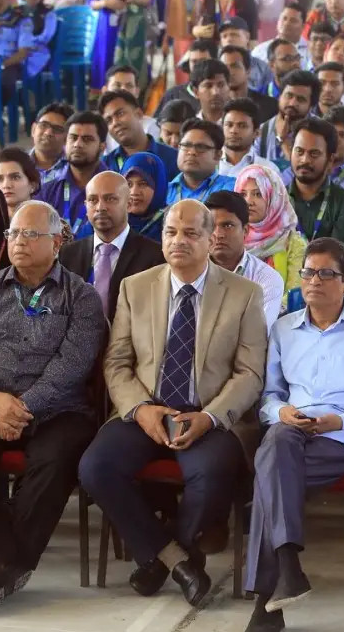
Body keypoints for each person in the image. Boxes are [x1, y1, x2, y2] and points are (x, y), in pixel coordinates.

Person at [78, 199, 268, 607]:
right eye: (170, 232)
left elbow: (250, 373)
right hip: (147, 409)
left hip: (207, 414)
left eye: (191, 233)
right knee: (95, 467)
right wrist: (140, 409)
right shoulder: (136, 287)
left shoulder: (245, 294)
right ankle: (178, 561)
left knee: (211, 473)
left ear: (210, 239)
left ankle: (160, 563)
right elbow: (117, 362)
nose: (178, 241)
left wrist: (210, 417)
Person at [0, 200, 107, 614]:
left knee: (54, 459)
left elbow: (72, 366)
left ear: (56, 242)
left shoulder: (82, 297)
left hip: (59, 409)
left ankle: (5, 564)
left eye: (30, 234)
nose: (18, 242)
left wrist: (22, 407)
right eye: (13, 233)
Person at [241, 237, 344, 632]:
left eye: (326, 274)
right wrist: (282, 412)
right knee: (277, 443)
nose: (314, 281)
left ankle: (269, 597)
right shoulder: (284, 329)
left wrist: (339, 420)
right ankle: (283, 574)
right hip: (292, 432)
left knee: (268, 477)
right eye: (308, 273)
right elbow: (270, 395)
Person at [58, 170, 166, 322]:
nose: (100, 207)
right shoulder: (67, 255)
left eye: (110, 199)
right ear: (86, 206)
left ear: (128, 204)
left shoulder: (155, 256)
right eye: (93, 200)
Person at [206, 190, 285, 322]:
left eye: (228, 226)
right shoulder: (191, 272)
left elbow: (259, 330)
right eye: (212, 226)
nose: (219, 234)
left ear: (245, 230)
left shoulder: (266, 279)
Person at [287, 116, 344, 245]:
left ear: (330, 160)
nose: (305, 160)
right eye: (299, 151)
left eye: (314, 153)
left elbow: (340, 256)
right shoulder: (275, 200)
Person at [236, 161, 308, 291]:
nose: (248, 201)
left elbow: (294, 294)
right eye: (243, 194)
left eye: (258, 194)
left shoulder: (293, 243)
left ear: (274, 199)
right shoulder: (230, 237)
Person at [39, 110, 110, 240]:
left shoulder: (114, 187)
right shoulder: (47, 186)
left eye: (87, 139)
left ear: (102, 147)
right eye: (73, 138)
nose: (78, 144)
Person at [168, 117, 235, 204]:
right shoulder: (163, 191)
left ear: (218, 155)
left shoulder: (231, 189)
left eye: (201, 147)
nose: (192, 152)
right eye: (186, 145)